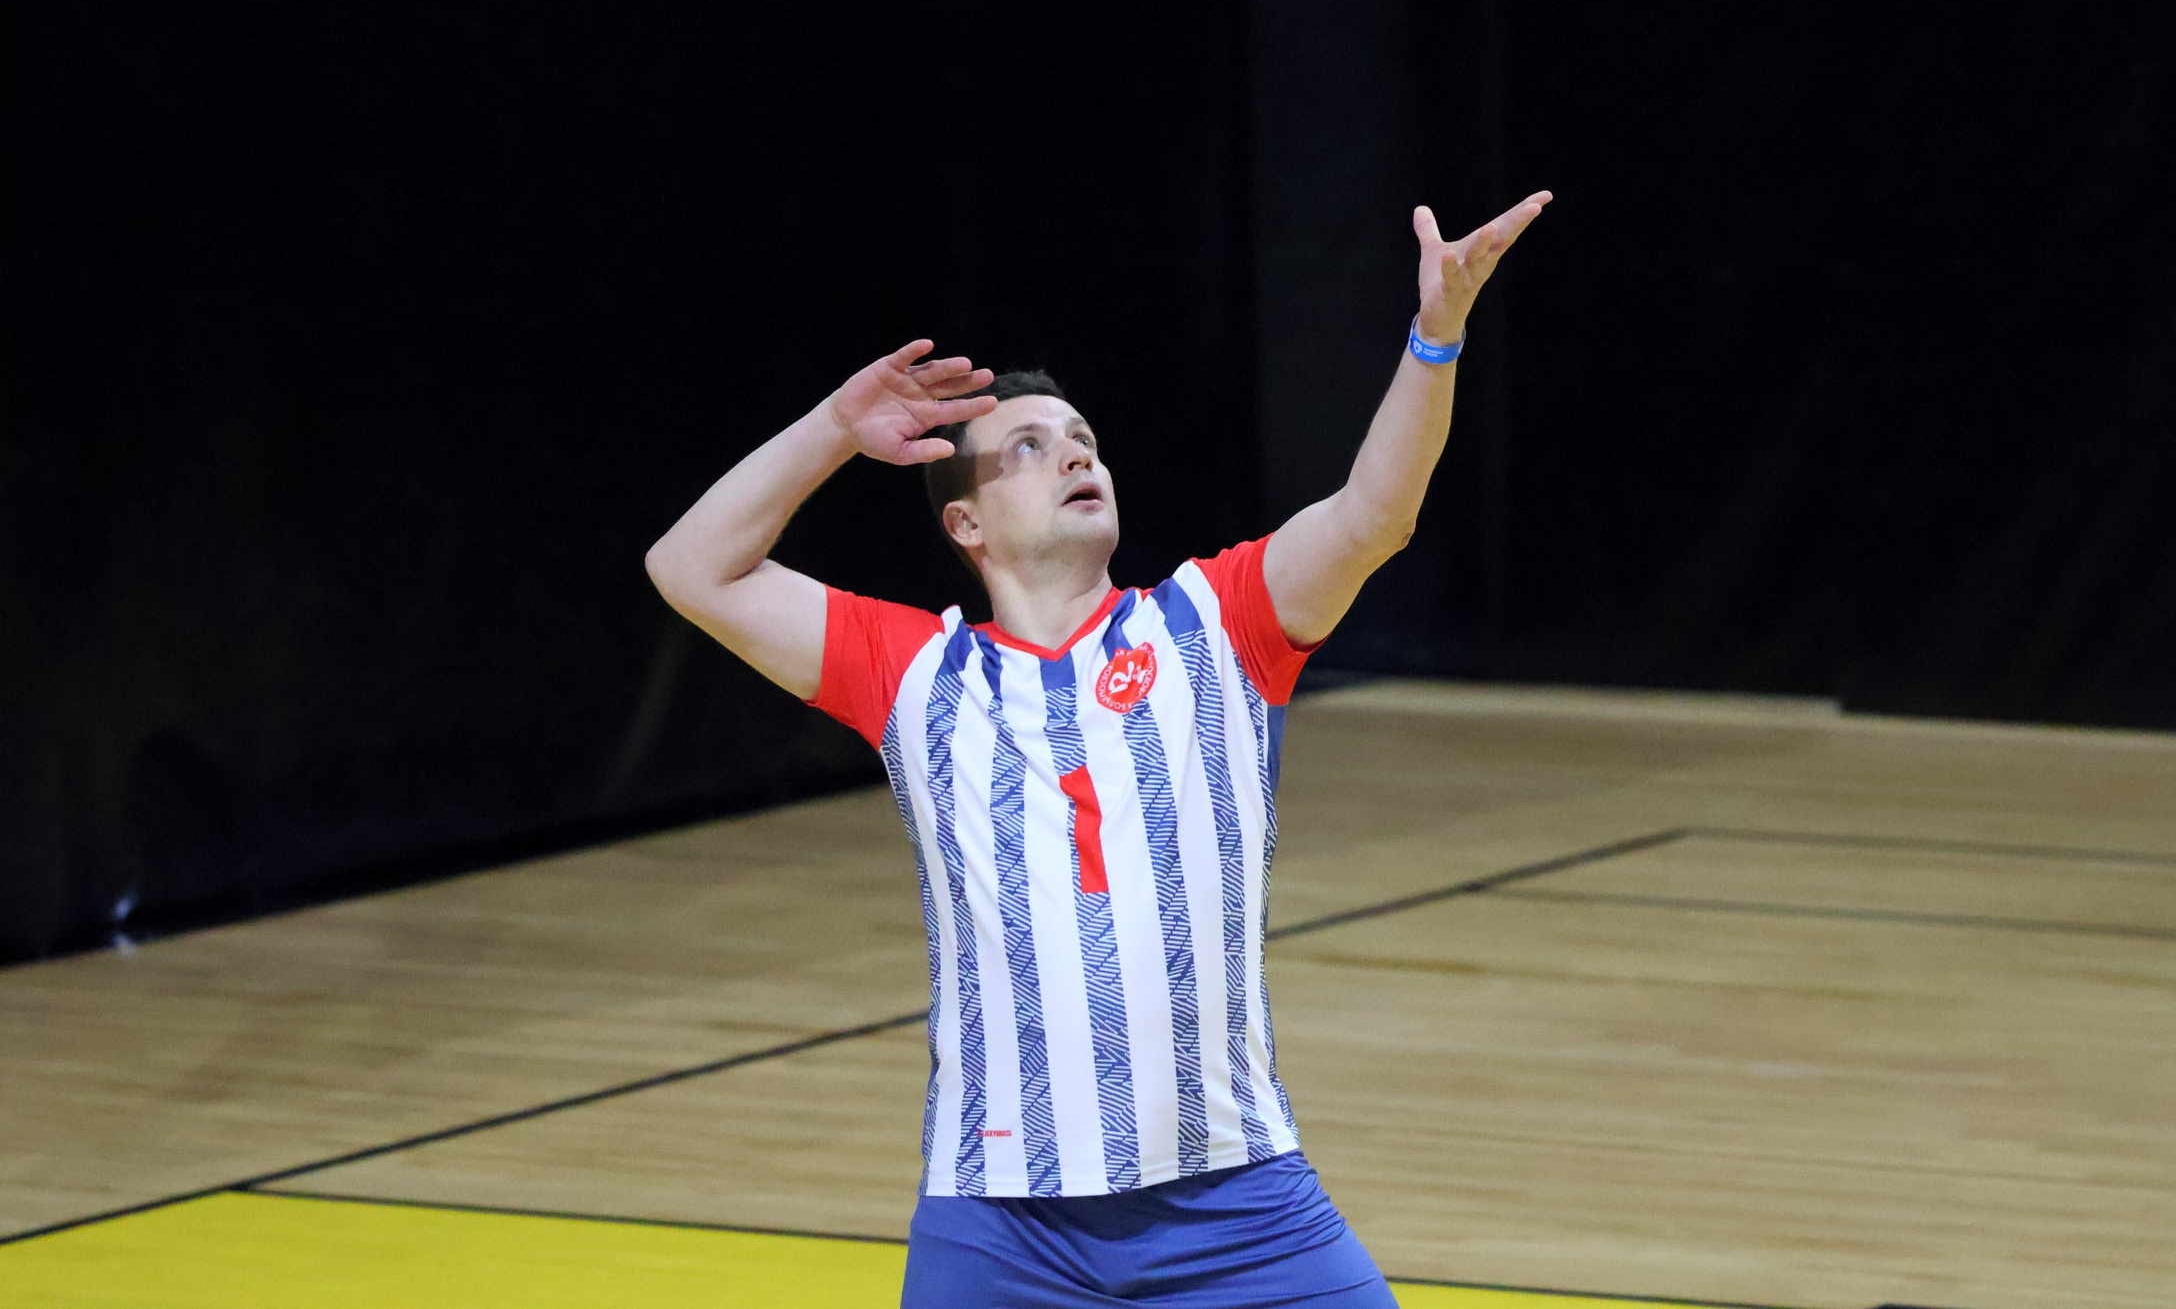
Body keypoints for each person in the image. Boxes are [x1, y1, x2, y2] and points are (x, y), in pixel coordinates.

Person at [644, 191, 1551, 1308]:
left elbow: (1376, 514)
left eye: (1082, 441)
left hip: (1242, 1207)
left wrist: (1436, 334)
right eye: (1028, 448)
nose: (1074, 456)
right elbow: (691, 569)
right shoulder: (914, 673)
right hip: (1001, 1221)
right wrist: (836, 427)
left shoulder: (1217, 623)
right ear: (964, 524)